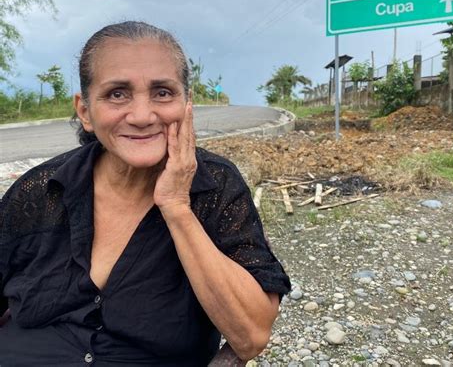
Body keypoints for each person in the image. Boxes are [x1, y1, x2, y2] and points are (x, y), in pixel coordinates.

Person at [0, 21, 291, 366]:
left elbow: (251, 336)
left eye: (163, 92)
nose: (141, 116)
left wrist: (177, 207)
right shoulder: (40, 191)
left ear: (187, 104)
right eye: (117, 93)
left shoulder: (215, 186)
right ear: (85, 111)